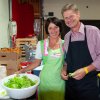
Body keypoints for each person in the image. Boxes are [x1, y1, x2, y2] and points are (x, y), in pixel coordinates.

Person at [16, 17, 65, 100]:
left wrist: (65, 69)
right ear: (47, 30)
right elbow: (36, 62)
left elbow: (66, 62)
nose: (53, 30)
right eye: (50, 28)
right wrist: (21, 71)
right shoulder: (41, 44)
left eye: (56, 27)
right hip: (44, 81)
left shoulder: (65, 43)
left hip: (59, 82)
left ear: (60, 28)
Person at [61, 3, 100, 100]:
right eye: (66, 18)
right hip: (71, 86)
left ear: (78, 14)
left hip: (89, 85)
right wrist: (64, 69)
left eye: (71, 16)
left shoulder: (93, 31)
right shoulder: (66, 37)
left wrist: (86, 70)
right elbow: (67, 60)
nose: (69, 20)